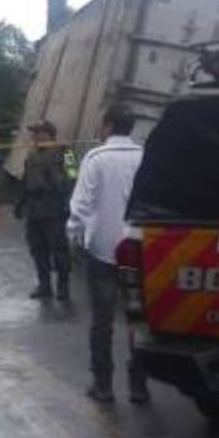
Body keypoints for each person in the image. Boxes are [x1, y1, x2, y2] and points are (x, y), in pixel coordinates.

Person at [68, 106, 148, 406]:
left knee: (102, 322)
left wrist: (73, 236)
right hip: (137, 251)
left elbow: (81, 205)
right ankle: (139, 386)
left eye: (101, 124)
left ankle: (103, 386)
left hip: (102, 252)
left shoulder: (96, 158)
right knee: (137, 319)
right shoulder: (144, 157)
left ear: (109, 125)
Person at [15, 120, 72, 300]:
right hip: (34, 208)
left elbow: (74, 177)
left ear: (48, 134)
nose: (33, 137)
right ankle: (44, 285)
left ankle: (63, 287)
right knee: (38, 249)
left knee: (59, 250)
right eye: (33, 133)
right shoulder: (31, 154)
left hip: (54, 207)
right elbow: (26, 180)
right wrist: (20, 204)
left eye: (37, 132)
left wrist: (56, 178)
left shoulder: (65, 152)